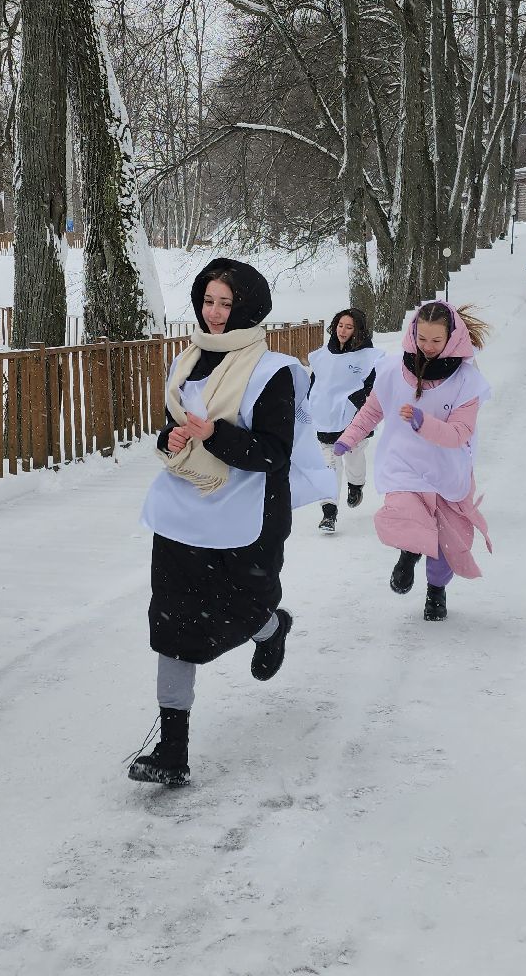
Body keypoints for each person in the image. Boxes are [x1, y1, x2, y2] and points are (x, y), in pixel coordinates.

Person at [134, 259, 334, 787]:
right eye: (208, 301)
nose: (215, 313)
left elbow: (274, 453)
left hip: (249, 511)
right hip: (183, 507)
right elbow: (171, 427)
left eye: (226, 303)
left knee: (241, 609)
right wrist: (171, 438)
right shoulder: (187, 361)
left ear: (248, 307)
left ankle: (272, 627)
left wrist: (215, 434)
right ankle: (172, 748)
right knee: (172, 622)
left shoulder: (273, 372)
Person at [332, 302, 492, 622]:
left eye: (436, 341)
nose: (428, 347)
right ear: (413, 333)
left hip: (447, 469)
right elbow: (372, 410)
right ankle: (409, 552)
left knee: (446, 543)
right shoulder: (394, 370)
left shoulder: (466, 380)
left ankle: (436, 591)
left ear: (452, 338)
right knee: (405, 514)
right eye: (422, 339)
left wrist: (423, 422)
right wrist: (348, 438)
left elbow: (459, 433)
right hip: (403, 463)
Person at [306, 308, 383, 533]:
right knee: (329, 464)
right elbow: (315, 383)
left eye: (349, 327)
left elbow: (372, 388)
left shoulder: (367, 357)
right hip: (326, 419)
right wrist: (310, 402)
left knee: (353, 456)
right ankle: (329, 513)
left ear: (358, 330)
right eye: (340, 325)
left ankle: (356, 485)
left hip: (353, 420)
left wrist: (355, 401)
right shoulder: (322, 356)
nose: (343, 330)